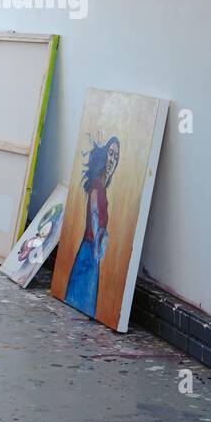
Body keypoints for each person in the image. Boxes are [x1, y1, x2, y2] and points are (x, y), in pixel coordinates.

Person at [64, 135, 120, 317]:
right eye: (111, 153)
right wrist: (98, 247)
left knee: (80, 302)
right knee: (84, 303)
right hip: (89, 253)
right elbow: (95, 216)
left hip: (89, 253)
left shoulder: (99, 186)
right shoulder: (98, 187)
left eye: (116, 157)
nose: (112, 160)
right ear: (104, 155)